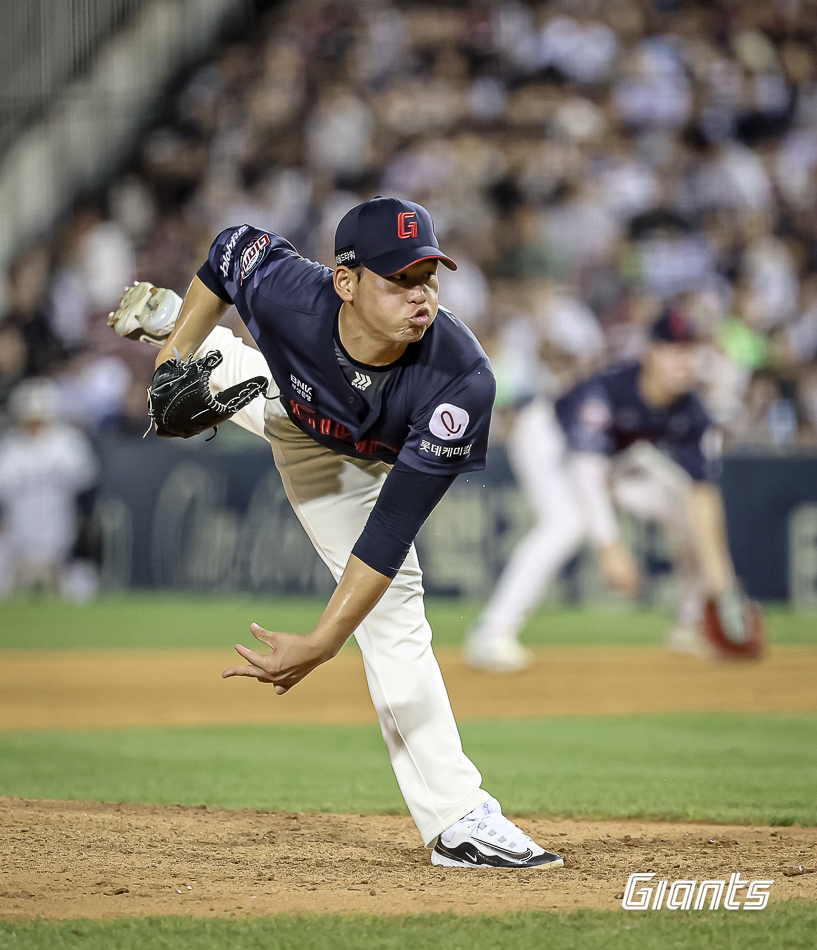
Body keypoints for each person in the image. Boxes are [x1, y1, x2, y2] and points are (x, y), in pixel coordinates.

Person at [109, 196, 564, 870]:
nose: (421, 296)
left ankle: (455, 821)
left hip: (350, 465)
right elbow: (232, 248)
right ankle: (459, 820)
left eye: (428, 278)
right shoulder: (293, 293)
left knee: (391, 595)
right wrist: (169, 364)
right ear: (345, 282)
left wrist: (322, 643)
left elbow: (387, 532)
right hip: (300, 417)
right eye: (399, 279)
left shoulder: (460, 380)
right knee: (269, 391)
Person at [465, 309, 745, 668]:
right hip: (546, 440)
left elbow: (702, 494)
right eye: (673, 348)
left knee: (685, 512)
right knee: (566, 524)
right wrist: (609, 547)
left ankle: (689, 623)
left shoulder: (692, 411)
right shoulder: (607, 390)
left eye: (690, 349)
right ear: (651, 352)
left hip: (616, 459)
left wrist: (721, 580)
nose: (683, 360)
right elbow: (586, 473)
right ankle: (492, 631)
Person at [0, 378, 98, 599]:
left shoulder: (68, 443)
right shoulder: (9, 448)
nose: (35, 421)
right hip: (17, 539)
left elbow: (86, 487)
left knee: (81, 588)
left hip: (62, 535)